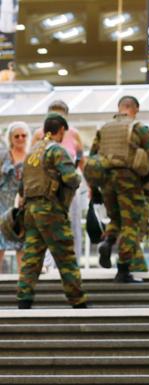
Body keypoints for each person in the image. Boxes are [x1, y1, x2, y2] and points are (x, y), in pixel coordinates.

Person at [17, 113, 87, 309]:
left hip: (30, 211)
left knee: (31, 255)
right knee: (65, 255)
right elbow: (72, 179)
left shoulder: (32, 152)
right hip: (50, 210)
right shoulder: (57, 150)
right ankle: (77, 299)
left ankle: (24, 298)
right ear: (62, 130)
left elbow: (21, 187)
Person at [89, 96, 149, 282]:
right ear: (135, 109)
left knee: (116, 219)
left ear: (119, 107)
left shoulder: (103, 129)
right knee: (132, 224)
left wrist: (95, 187)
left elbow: (92, 157)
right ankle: (123, 270)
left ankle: (107, 242)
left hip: (106, 180)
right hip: (129, 180)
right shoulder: (138, 128)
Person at [33, 100, 86, 267]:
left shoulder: (74, 134)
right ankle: (48, 263)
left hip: (70, 188)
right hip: (47, 188)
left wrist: (90, 186)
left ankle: (73, 262)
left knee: (73, 224)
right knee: (48, 225)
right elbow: (32, 162)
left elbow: (82, 161)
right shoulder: (38, 135)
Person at [0, 121, 29, 273]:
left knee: (22, 241)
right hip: (2, 201)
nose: (20, 138)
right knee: (0, 240)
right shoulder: (3, 155)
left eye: (23, 135)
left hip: (22, 203)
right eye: (16, 136)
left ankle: (22, 281)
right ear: (10, 138)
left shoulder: (30, 156)